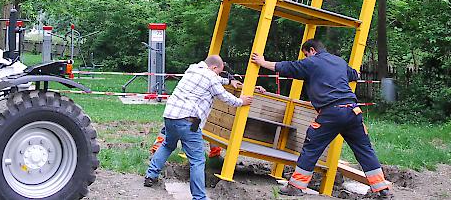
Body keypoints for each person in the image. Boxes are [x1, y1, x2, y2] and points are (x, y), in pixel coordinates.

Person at [251, 39, 392, 198]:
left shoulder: (311, 62)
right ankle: (381, 188)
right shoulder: (338, 61)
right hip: (353, 112)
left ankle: (296, 186)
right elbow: (355, 74)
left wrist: (262, 62)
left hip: (331, 113)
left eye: (305, 54)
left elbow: (287, 67)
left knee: (312, 147)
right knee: (365, 149)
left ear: (312, 50)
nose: (305, 58)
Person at [144, 55, 253, 200]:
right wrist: (241, 101)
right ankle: (199, 197)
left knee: (167, 145)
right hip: (188, 121)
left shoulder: (193, 68)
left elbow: (215, 80)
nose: (218, 75)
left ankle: (151, 175)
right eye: (218, 72)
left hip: (170, 116)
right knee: (198, 160)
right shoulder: (211, 77)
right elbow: (223, 96)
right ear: (214, 68)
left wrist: (229, 80)